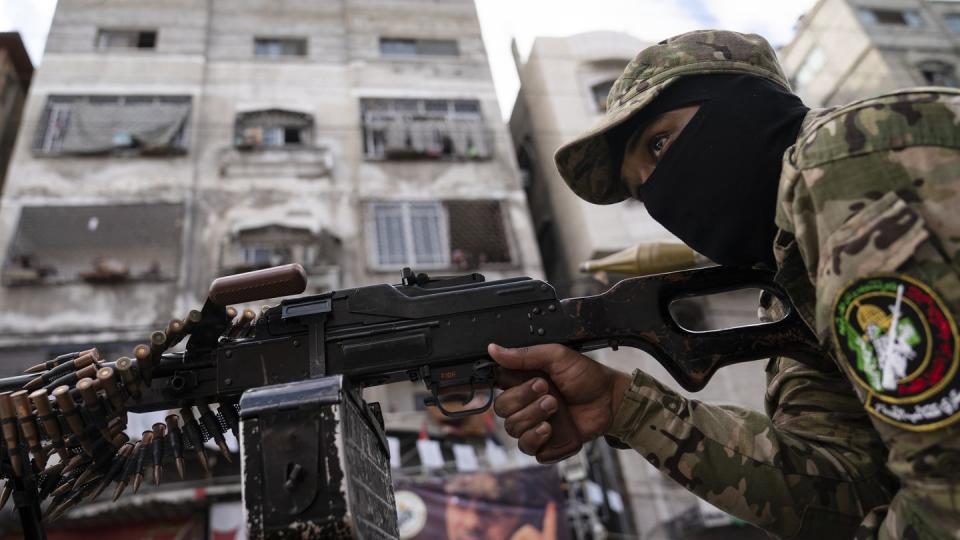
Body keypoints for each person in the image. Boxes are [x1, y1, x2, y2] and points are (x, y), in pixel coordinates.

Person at [490, 30, 960, 539]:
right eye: (639, 188)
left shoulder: (842, 161)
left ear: (741, 101)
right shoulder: (791, 283)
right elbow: (840, 488)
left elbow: (946, 493)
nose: (657, 188)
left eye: (660, 143)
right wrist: (623, 405)